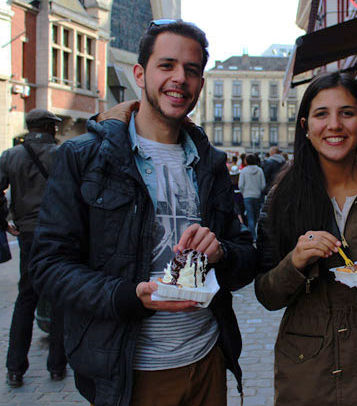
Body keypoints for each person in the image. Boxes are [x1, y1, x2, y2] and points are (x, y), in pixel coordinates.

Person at [29, 20, 256, 406]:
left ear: (201, 82)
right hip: (130, 372)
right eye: (166, 65)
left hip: (207, 360)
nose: (179, 79)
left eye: (192, 70)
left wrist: (223, 253)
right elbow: (48, 267)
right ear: (140, 74)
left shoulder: (210, 163)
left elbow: (247, 255)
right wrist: (129, 296)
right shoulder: (84, 157)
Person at [255, 72, 357, 405]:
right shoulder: (281, 198)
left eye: (347, 112)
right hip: (309, 371)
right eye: (321, 114)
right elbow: (266, 294)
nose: (334, 125)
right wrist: (296, 262)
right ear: (305, 125)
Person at [0, 109, 66, 387]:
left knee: (25, 298)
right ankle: (57, 365)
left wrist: (5, 219)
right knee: (61, 296)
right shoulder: (62, 154)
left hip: (27, 233)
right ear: (50, 128)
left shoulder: (10, 155)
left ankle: (15, 368)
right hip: (59, 233)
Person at [238, 154, 265, 241]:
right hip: (257, 195)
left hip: (247, 195)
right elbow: (263, 184)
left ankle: (253, 237)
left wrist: (244, 192)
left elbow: (240, 185)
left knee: (250, 217)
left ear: (246, 161)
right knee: (257, 217)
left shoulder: (244, 171)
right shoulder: (260, 170)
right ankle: (258, 235)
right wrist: (259, 191)